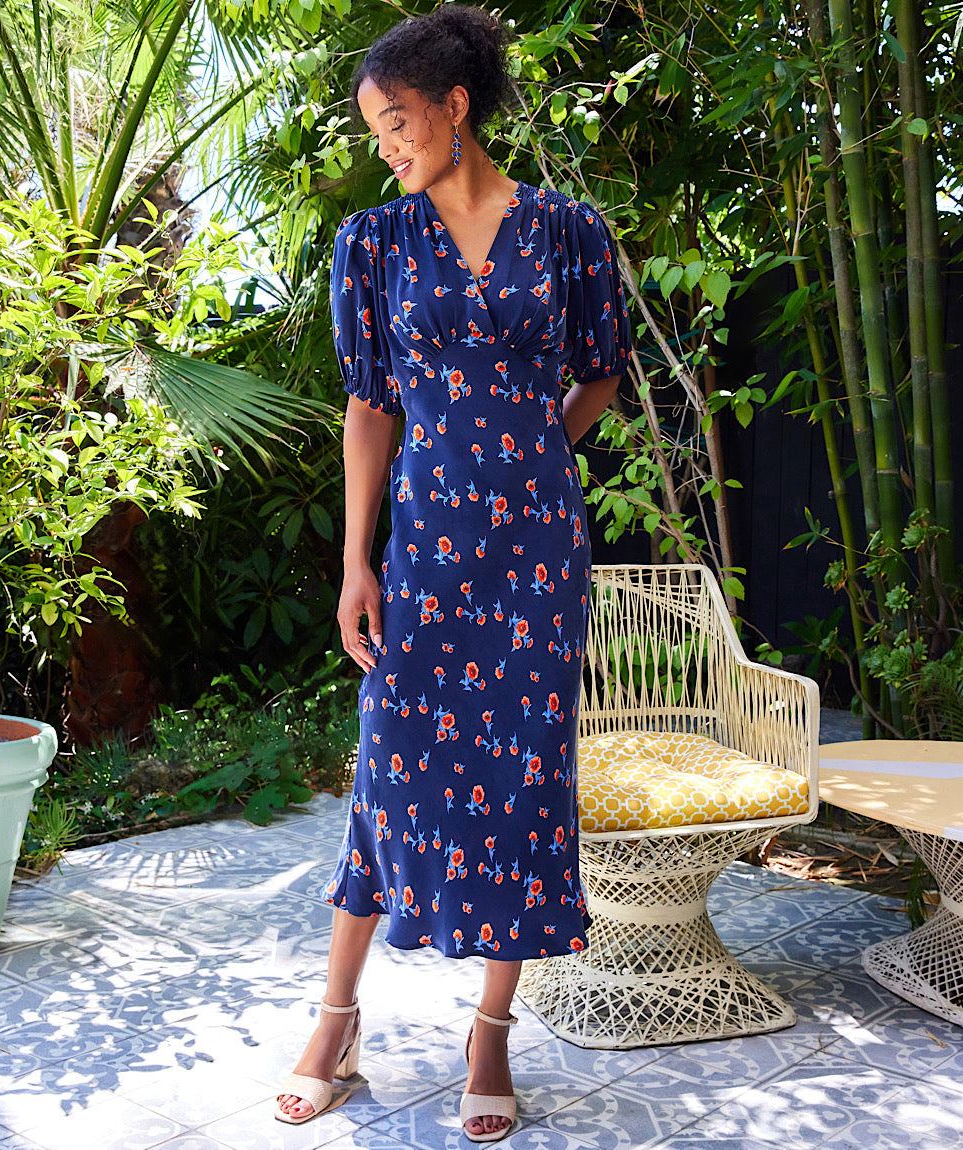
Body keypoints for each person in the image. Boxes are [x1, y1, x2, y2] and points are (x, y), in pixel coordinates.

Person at [276, 3, 632, 1141]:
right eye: (376, 131)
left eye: (396, 122)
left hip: (533, 551)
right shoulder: (372, 245)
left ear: (454, 106)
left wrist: (525, 461)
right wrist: (353, 561)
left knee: (525, 775)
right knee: (389, 763)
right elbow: (370, 407)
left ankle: (490, 1029)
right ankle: (335, 1017)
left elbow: (599, 378)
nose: (385, 145)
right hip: (421, 548)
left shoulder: (569, 231)